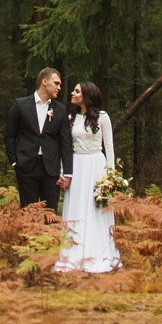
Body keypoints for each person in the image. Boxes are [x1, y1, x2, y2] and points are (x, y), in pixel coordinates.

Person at [55, 80, 123, 274]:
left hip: (96, 165)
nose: (72, 94)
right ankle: (73, 252)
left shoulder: (102, 118)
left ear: (87, 95)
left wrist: (111, 176)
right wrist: (63, 171)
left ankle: (98, 252)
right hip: (77, 165)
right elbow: (65, 149)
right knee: (76, 207)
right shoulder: (71, 118)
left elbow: (109, 148)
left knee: (95, 209)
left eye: (77, 91)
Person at [4, 66, 73, 210]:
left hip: (51, 168)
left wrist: (67, 172)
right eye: (56, 83)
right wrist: (14, 162)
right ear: (44, 82)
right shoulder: (21, 105)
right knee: (29, 211)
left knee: (50, 211)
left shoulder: (60, 110)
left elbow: (65, 142)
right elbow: (9, 135)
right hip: (26, 165)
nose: (59, 87)